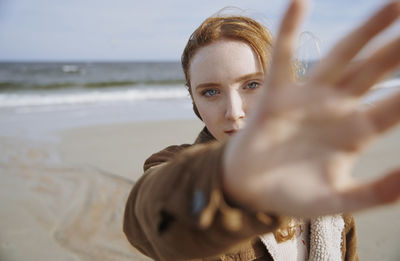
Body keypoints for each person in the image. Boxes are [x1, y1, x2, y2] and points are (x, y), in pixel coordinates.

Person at [123, 0, 400, 260]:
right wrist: (229, 184)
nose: (233, 111)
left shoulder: (320, 177)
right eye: (210, 92)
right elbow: (152, 219)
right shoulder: (171, 168)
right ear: (195, 101)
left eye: (252, 85)